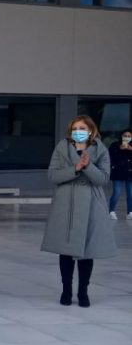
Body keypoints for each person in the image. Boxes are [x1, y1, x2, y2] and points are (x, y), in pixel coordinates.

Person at [41, 116, 116, 307]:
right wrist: (75, 167)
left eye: (82, 128)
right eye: (75, 128)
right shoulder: (62, 147)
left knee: (86, 252)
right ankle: (66, 290)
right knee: (66, 249)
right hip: (66, 202)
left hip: (92, 204)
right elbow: (53, 175)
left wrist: (88, 166)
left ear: (91, 130)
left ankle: (83, 292)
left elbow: (103, 179)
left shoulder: (100, 149)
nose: (78, 131)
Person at [109, 129, 132, 220]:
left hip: (130, 173)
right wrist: (119, 149)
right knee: (117, 193)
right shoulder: (115, 145)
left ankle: (130, 212)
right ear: (121, 136)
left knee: (131, 194)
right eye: (125, 136)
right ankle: (111, 211)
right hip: (118, 173)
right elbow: (110, 156)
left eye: (129, 136)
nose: (126, 138)